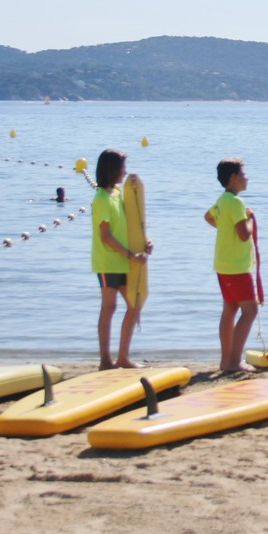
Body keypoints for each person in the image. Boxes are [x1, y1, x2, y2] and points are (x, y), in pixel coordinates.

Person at [90, 149, 149, 370]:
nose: (125, 172)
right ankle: (105, 360)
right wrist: (130, 255)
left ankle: (123, 357)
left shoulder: (117, 193)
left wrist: (145, 242)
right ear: (112, 169)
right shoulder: (102, 199)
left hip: (125, 261)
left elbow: (130, 224)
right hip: (108, 261)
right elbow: (105, 236)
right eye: (123, 168)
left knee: (135, 304)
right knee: (109, 307)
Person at [204, 157, 259, 374]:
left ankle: (225, 361)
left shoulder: (222, 200)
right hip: (236, 267)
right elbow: (244, 234)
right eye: (244, 174)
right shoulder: (236, 203)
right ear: (234, 177)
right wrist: (250, 219)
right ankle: (234, 361)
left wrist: (225, 226)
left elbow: (208, 217)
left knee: (230, 309)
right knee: (250, 310)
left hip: (223, 264)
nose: (247, 178)